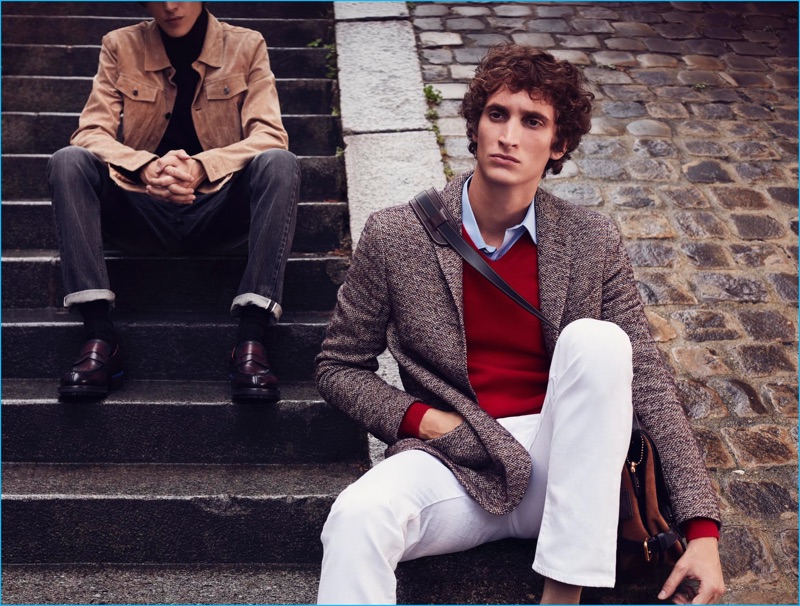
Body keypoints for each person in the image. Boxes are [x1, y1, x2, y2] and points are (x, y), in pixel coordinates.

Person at [315, 45, 725, 604]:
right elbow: (339, 367)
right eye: (497, 114)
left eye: (532, 122)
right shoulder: (397, 235)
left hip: (569, 460)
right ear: (476, 126)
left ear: (558, 145)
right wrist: (426, 420)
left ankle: (563, 591)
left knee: (600, 341)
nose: (509, 135)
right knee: (356, 515)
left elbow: (647, 380)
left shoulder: (590, 238)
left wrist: (702, 529)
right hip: (460, 457)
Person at [48, 2, 300, 402]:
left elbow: (270, 135)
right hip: (140, 213)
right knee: (68, 160)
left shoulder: (247, 45)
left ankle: (252, 338)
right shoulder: (119, 45)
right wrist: (145, 167)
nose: (170, 5)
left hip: (216, 211)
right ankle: (99, 336)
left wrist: (202, 167)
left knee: (279, 163)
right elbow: (90, 133)